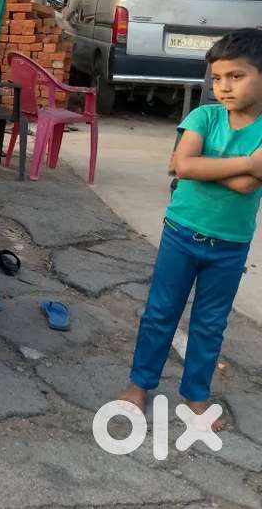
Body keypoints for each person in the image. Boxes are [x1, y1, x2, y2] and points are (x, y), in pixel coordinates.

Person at [116, 28, 262, 430]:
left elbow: (246, 184)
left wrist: (201, 167)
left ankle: (196, 395)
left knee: (210, 323)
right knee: (160, 312)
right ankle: (139, 384)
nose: (224, 86)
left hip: (230, 245)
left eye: (236, 76)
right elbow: (184, 165)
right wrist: (247, 163)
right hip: (181, 234)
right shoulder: (204, 117)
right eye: (217, 78)